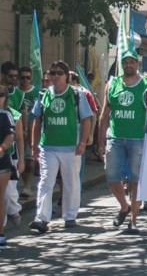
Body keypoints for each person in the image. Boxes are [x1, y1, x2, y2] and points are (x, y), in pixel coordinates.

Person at [29, 61, 94, 233]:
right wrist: (34, 145)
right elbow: (36, 120)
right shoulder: (43, 94)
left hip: (70, 147)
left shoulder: (76, 94)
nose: (55, 76)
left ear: (66, 76)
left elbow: (86, 119)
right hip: (48, 147)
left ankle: (70, 215)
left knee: (71, 182)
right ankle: (41, 218)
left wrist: (82, 143)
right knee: (45, 182)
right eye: (53, 73)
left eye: (59, 73)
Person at [98, 52, 147, 235]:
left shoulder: (146, 85)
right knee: (112, 178)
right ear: (122, 64)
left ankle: (133, 221)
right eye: (125, 62)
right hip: (115, 138)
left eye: (132, 62)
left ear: (138, 64)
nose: (128, 65)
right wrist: (100, 140)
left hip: (137, 139)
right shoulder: (112, 84)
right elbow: (105, 113)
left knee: (136, 181)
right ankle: (124, 206)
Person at [0, 85, 18, 250]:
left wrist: (2, 148)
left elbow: (11, 134)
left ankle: (0, 235)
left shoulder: (5, 115)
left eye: (1, 95)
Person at [18, 67, 40, 198]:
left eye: (28, 77)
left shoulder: (36, 92)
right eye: (23, 77)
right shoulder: (14, 92)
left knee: (29, 160)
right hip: (16, 129)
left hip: (30, 129)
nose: (25, 80)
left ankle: (26, 186)